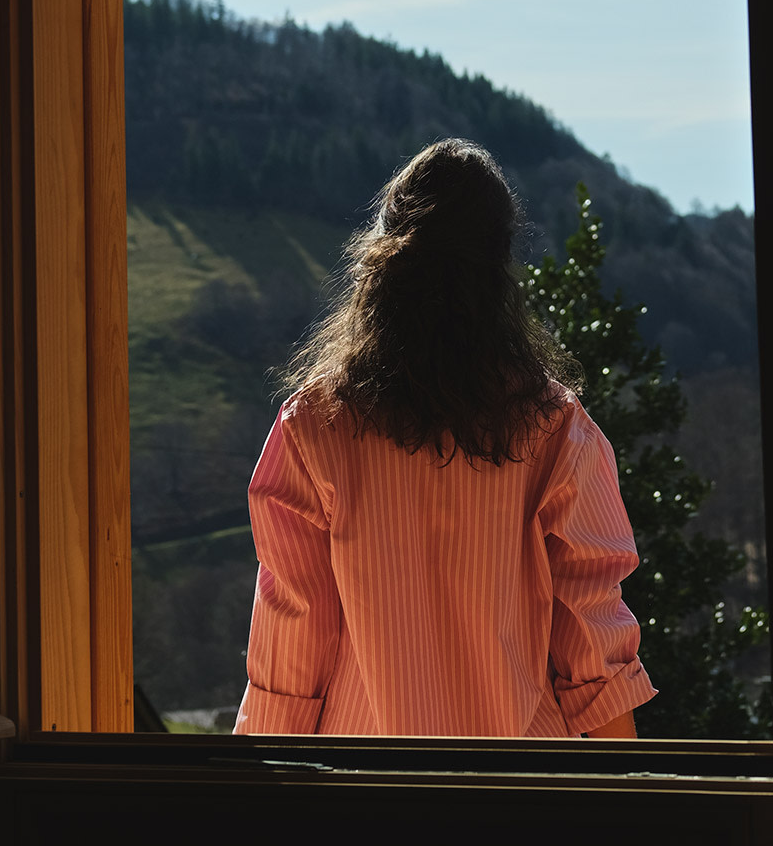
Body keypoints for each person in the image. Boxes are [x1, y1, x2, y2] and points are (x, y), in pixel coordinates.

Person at [234, 138, 654, 738]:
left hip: (363, 780)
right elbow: (590, 622)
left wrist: (258, 785)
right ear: (499, 263)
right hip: (526, 785)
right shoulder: (556, 426)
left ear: (384, 258)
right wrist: (628, 794)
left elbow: (292, 625)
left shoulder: (313, 425)